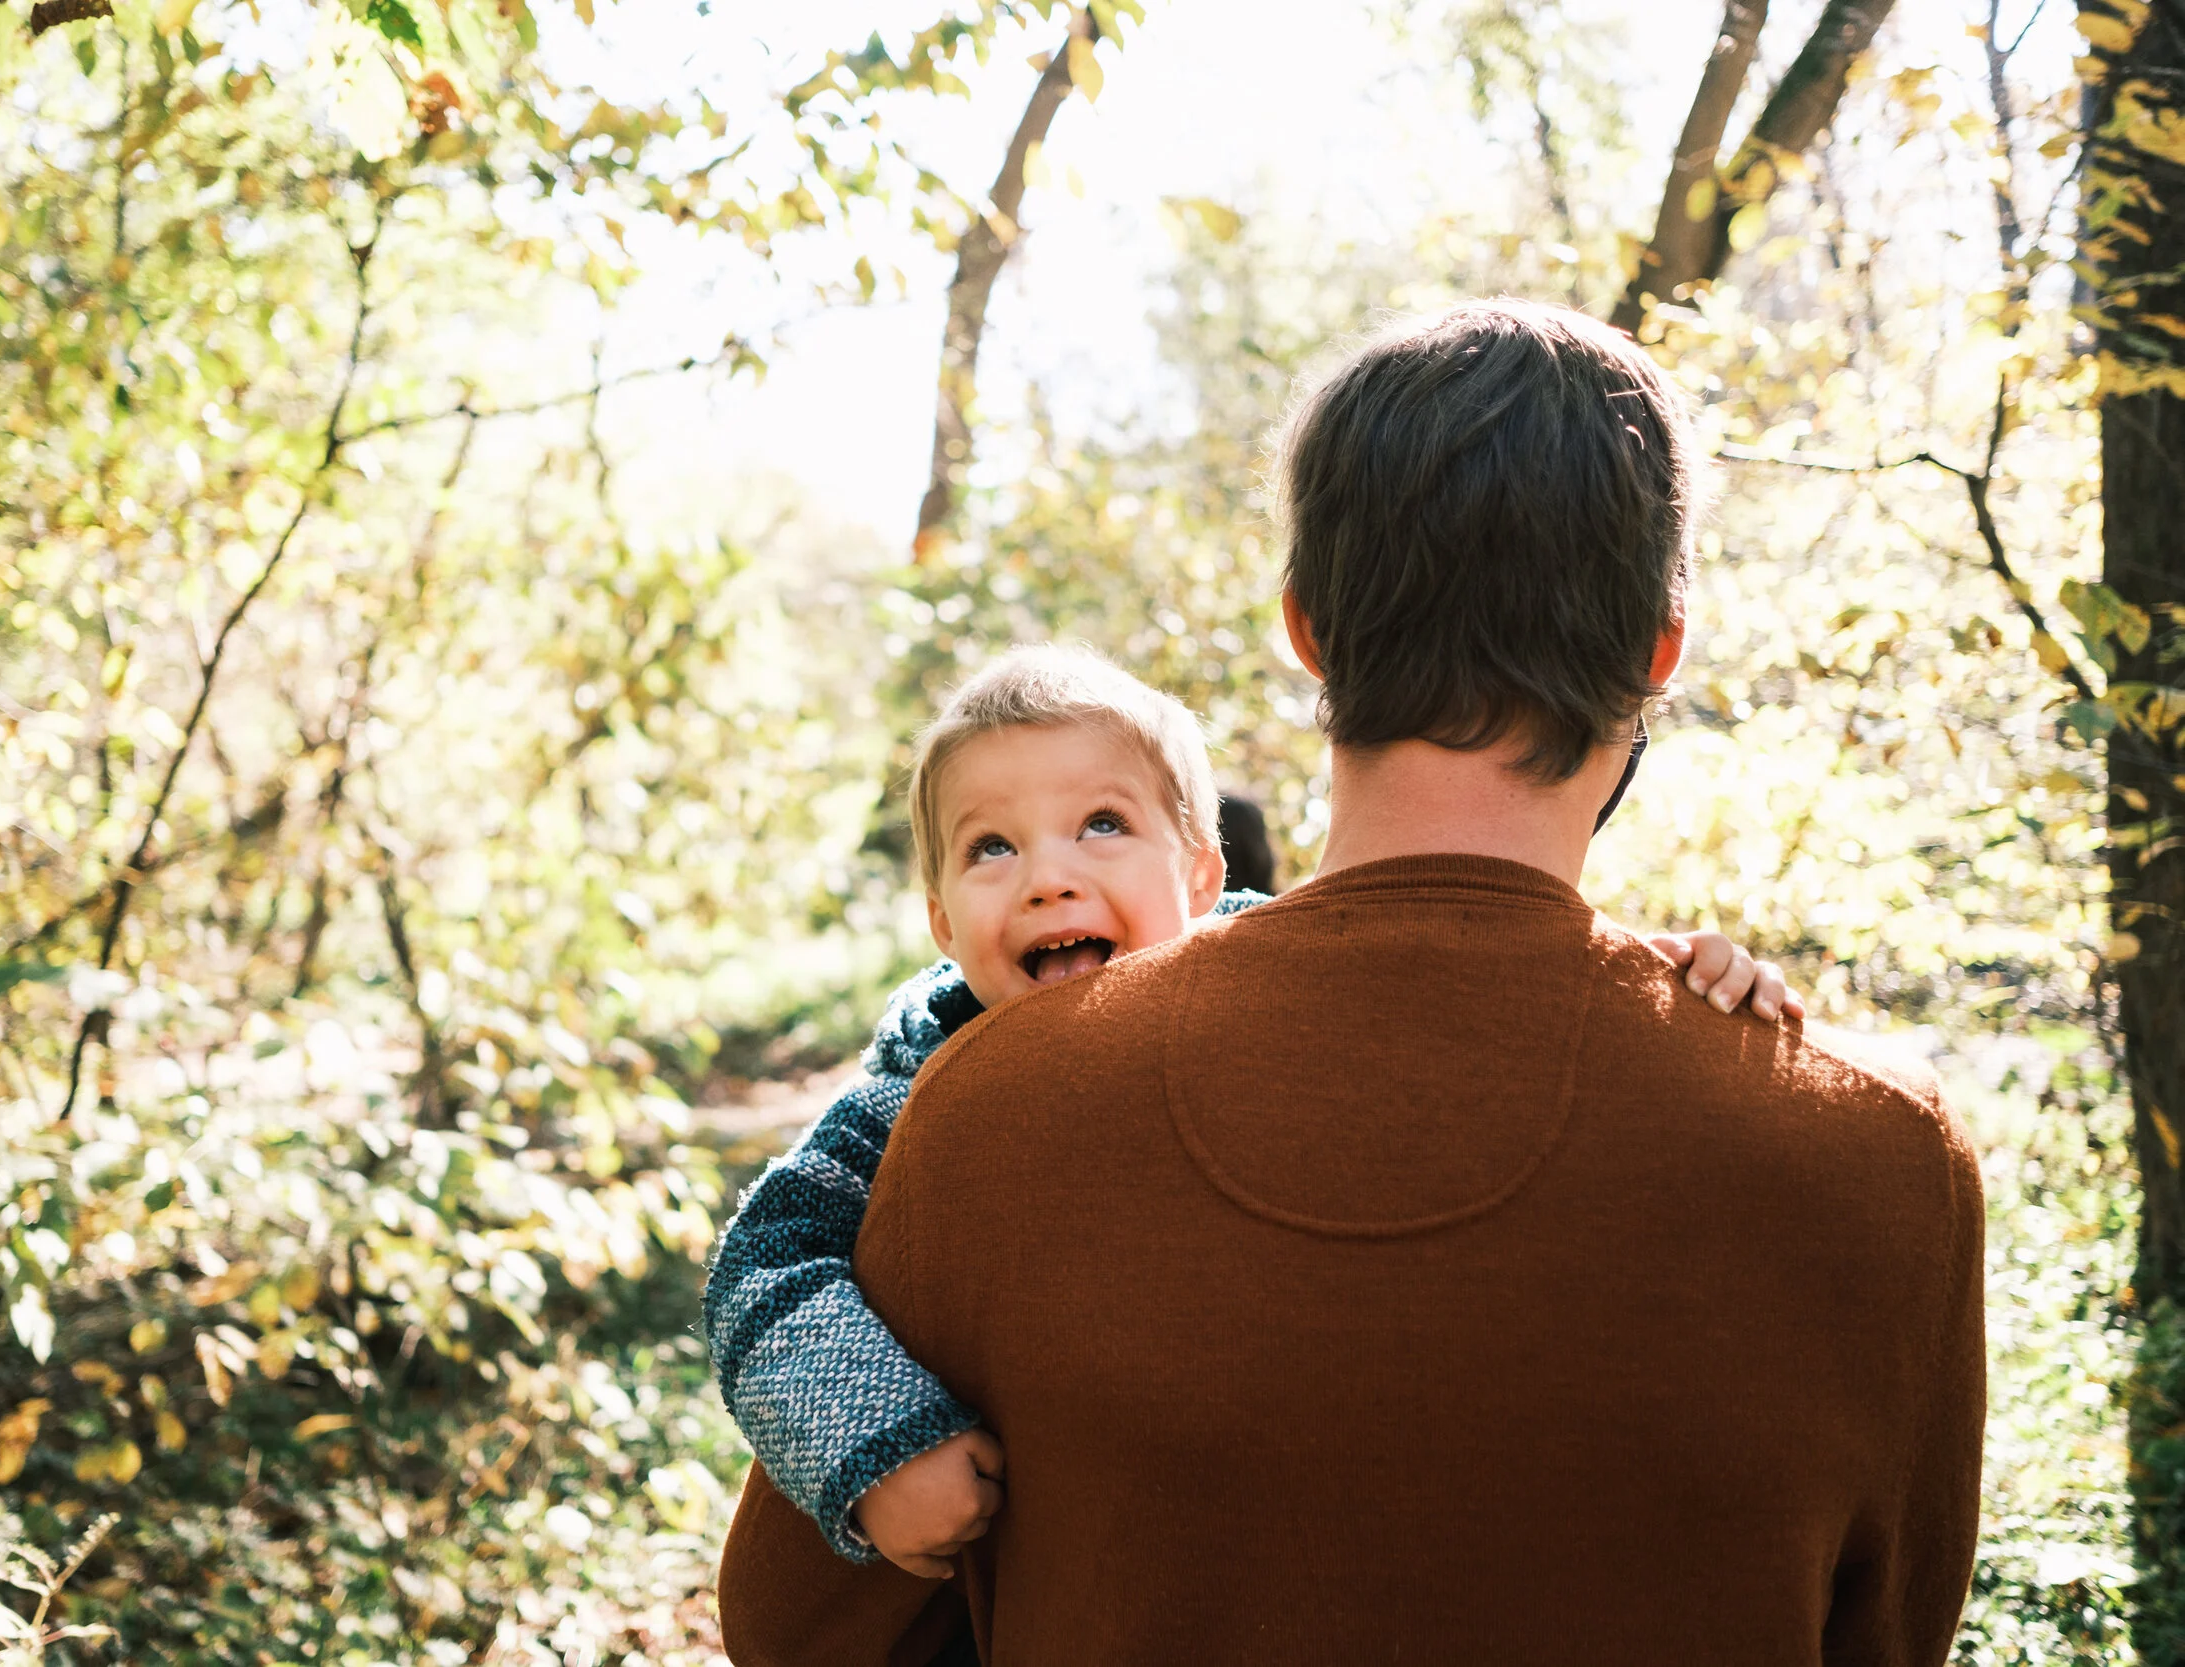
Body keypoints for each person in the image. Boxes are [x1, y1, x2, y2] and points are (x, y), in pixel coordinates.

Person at [713, 300, 1984, 1665]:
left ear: (1306, 629)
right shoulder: (1879, 1153)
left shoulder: (990, 1108)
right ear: (1661, 650)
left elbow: (796, 1629)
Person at [704, 648, 1798, 1581]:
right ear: (941, 917)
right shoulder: (912, 1088)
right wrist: (876, 1443)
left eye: (1100, 824)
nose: (1047, 877)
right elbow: (764, 1262)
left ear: (1197, 867)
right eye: (991, 847)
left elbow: (1455, 996)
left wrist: (1638, 974)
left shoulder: (1291, 1001)